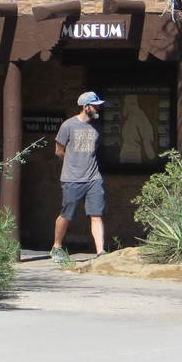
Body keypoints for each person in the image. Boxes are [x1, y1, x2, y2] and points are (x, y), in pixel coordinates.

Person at [51, 91, 106, 262]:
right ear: (85, 107)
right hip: (72, 178)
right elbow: (59, 150)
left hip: (93, 178)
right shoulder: (68, 126)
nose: (98, 108)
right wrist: (72, 162)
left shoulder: (97, 127)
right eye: (95, 105)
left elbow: (94, 149)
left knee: (96, 215)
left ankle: (100, 252)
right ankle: (57, 246)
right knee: (66, 214)